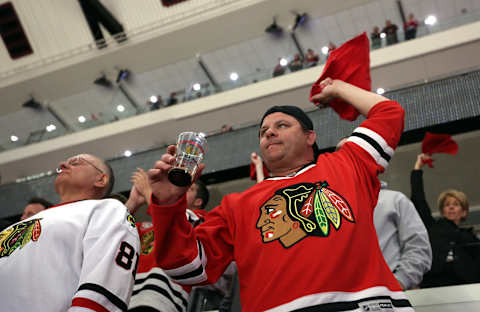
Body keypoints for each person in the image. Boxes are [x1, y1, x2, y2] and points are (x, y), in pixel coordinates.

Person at [147, 77, 412, 311]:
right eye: (263, 132)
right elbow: (185, 267)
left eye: (282, 125)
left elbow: (388, 112)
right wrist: (169, 205)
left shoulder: (348, 164)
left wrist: (338, 88)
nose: (270, 132)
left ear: (310, 137)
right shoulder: (236, 205)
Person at [0, 154, 139, 311]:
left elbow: (101, 291)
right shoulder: (20, 225)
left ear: (100, 180)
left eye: (76, 163)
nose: (62, 164)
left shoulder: (108, 210)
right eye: (63, 164)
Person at [335, 140, 432, 290]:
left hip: (387, 298)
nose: (348, 158)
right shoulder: (326, 208)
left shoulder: (395, 200)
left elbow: (418, 247)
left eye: (354, 151)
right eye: (342, 153)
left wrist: (399, 282)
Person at [126, 168, 191, 312]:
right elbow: (111, 233)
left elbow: (172, 225)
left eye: (188, 188)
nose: (174, 189)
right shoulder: (141, 227)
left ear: (198, 202)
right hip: (123, 299)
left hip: (160, 300)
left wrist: (149, 193)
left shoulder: (197, 218)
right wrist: (133, 202)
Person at [411, 153, 480, 287]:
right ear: (442, 211)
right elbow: (419, 200)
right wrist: (417, 167)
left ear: (464, 211)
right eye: (447, 205)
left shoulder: (471, 239)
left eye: (456, 204)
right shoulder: (432, 227)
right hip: (434, 288)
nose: (451, 207)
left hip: (468, 292)